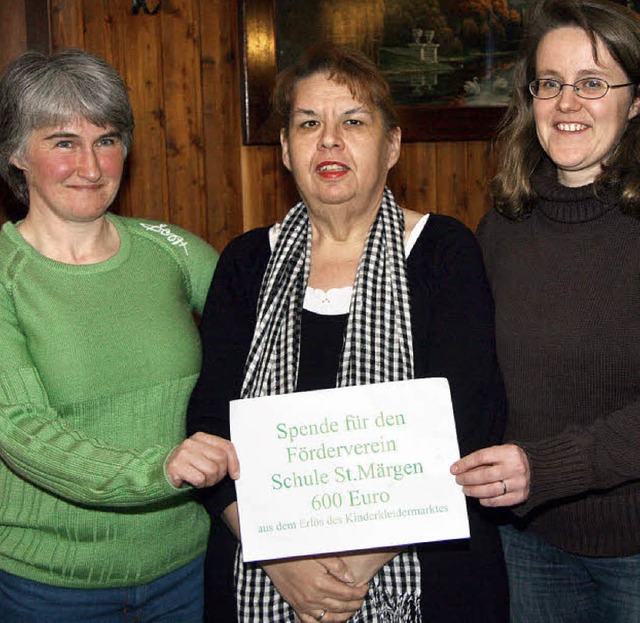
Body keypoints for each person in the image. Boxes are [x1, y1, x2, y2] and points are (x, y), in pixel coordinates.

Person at [187, 43, 508, 623]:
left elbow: (468, 423)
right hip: (263, 568)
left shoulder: (443, 252)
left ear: (392, 146)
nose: (329, 140)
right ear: (285, 149)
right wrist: (280, 557)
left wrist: (356, 564)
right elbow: (210, 424)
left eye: (353, 122)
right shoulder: (245, 263)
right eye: (309, 123)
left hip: (431, 575)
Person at [0, 48, 239, 622]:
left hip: (190, 569)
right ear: (15, 154)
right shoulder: (7, 276)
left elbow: (269, 332)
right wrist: (158, 470)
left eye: (107, 140)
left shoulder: (172, 250)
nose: (91, 165)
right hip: (50, 589)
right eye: (63, 142)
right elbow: (21, 429)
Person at [450, 0, 640, 620]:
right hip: (526, 543)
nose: (567, 103)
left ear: (635, 101)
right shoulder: (502, 228)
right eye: (550, 84)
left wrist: (549, 466)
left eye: (592, 83)